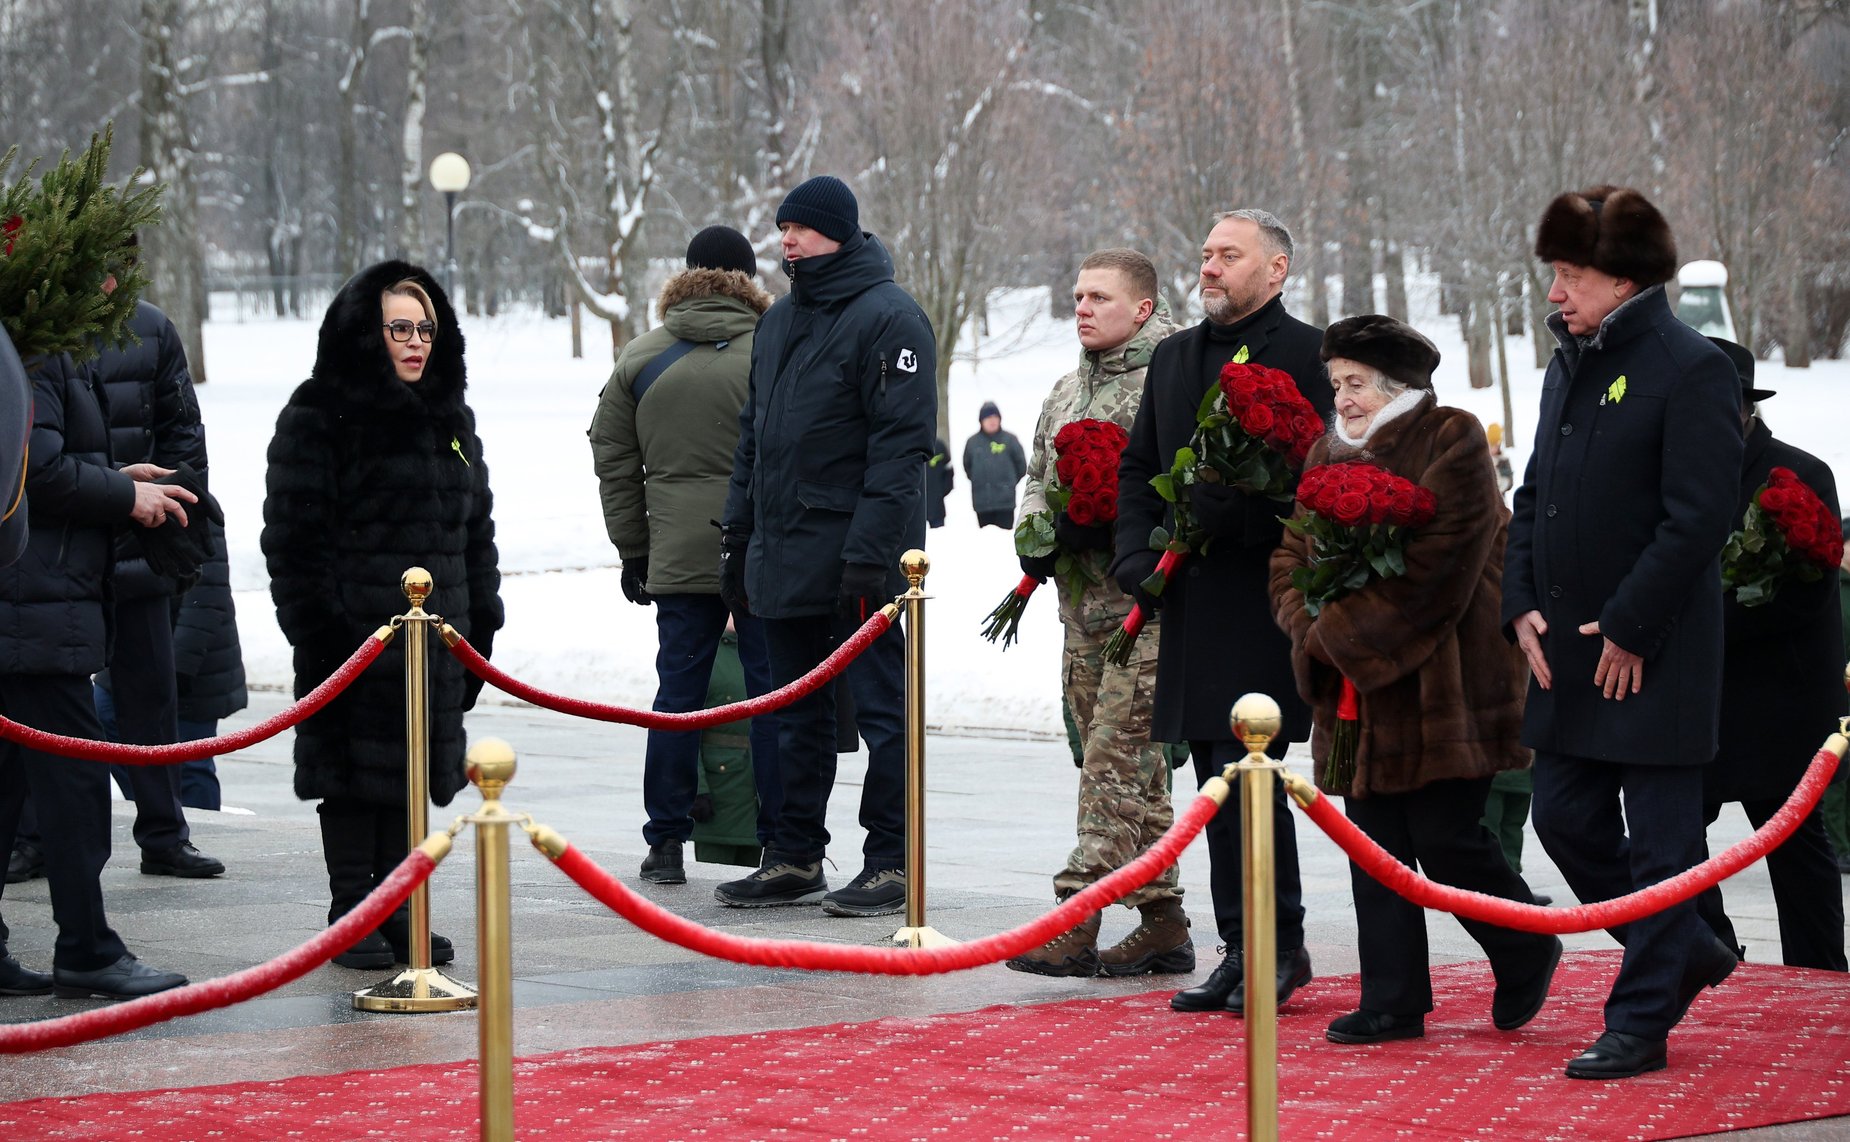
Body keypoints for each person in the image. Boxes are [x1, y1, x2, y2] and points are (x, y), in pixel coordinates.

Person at [1270, 315, 1563, 1044]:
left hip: (1446, 685)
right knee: (1374, 843)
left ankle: (1526, 944)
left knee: (1447, 836)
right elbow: (1288, 561)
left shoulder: (1450, 436)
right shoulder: (1324, 451)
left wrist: (1335, 636)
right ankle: (1393, 1000)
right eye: (1336, 383)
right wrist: (1312, 630)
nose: (1344, 398)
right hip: (1358, 692)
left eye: (1357, 384)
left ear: (1398, 385)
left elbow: (1440, 574)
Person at [1505, 185, 1743, 1079]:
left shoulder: (1693, 367)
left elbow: (1697, 518)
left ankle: (1641, 1018)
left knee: (1662, 844)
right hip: (1566, 649)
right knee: (1564, 818)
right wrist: (1517, 600)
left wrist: (1635, 626)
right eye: (1556, 274)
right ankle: (1684, 950)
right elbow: (1536, 495)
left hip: (1656, 651)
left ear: (1627, 278)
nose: (1556, 293)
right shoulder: (1568, 360)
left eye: (1572, 275)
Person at [1114, 208, 1332, 1016]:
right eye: (1205, 254)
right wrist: (1138, 560)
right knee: (1214, 782)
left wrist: (1237, 517)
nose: (1209, 267)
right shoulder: (1174, 356)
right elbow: (1138, 468)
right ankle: (1241, 947)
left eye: (1228, 256)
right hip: (1191, 600)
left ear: (1275, 269)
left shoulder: (1309, 353)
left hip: (1261, 599)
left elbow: (1321, 478)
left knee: (1254, 783)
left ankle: (1283, 944)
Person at [262, 261, 503, 969]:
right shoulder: (318, 414)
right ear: (366, 331)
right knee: (353, 776)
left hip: (436, 640)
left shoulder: (448, 418)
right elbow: (292, 538)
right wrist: (325, 630)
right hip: (354, 637)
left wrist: (480, 622)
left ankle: (401, 906)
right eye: (399, 327)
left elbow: (476, 529)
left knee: (413, 770)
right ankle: (351, 909)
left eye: (425, 328)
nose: (415, 342)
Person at [715, 174, 935, 917]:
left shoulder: (891, 318)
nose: (787, 239)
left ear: (838, 232)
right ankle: (794, 854)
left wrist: (870, 554)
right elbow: (753, 440)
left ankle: (892, 861)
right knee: (790, 711)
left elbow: (900, 453)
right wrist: (736, 538)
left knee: (882, 714)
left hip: (859, 559)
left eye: (800, 229)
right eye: (781, 228)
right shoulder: (776, 322)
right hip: (781, 552)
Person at [1005, 248, 1189, 978]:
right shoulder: (1065, 387)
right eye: (1078, 296)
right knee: (1119, 768)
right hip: (1079, 609)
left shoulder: (1170, 382)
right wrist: (1036, 534)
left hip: (1147, 612)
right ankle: (1164, 921)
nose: (1082, 307)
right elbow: (1036, 475)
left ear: (1141, 309)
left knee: (1114, 764)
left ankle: (1074, 916)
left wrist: (1120, 534)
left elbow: (1183, 489)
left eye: (1099, 298)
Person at [588, 225, 781, 886]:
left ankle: (665, 840)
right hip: (758, 552)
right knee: (769, 694)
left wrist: (634, 551)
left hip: (675, 554)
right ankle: (779, 840)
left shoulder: (641, 357)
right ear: (748, 280)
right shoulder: (774, 350)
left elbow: (613, 463)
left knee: (677, 692)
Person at [0, 349, 195, 1000]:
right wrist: (123, 493)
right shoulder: (39, 354)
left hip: (35, 605)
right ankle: (87, 949)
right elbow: (38, 473)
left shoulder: (45, 352)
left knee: (7, 789)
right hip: (34, 609)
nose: (114, 283)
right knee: (78, 784)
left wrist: (113, 477)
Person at [1693, 338, 1846, 971]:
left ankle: (1819, 976)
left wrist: (1693, 629)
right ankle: (1713, 952)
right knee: (1666, 838)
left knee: (1795, 845)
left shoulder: (1799, 474)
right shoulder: (1668, 473)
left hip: (1780, 699)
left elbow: (1802, 597)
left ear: (1741, 408)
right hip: (1699, 699)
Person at [92, 282, 225, 876]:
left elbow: (183, 429)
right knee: (50, 706)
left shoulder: (152, 327)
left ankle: (165, 832)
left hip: (141, 542)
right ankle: (34, 836)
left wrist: (166, 506)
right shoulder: (36, 329)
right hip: (67, 541)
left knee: (151, 698)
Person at [964, 402, 1026, 528]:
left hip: (1005, 503)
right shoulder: (972, 443)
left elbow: (1021, 466)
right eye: (988, 418)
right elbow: (967, 466)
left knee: (1003, 539)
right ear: (981, 421)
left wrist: (1009, 483)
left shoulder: (1010, 440)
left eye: (995, 417)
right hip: (982, 503)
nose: (992, 421)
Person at [925, 437, 953, 528]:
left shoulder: (939, 445)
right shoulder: (906, 446)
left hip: (937, 506)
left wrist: (941, 491)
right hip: (913, 509)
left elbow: (949, 471)